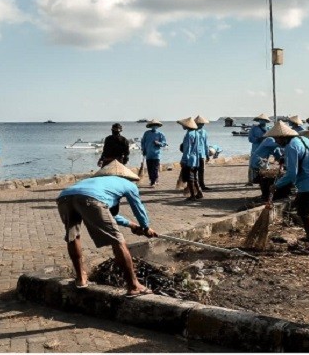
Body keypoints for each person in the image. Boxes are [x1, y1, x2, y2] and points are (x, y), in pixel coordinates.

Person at [56, 160, 157, 296]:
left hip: (64, 198)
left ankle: (81, 278)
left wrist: (132, 225)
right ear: (125, 176)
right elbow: (138, 208)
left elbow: (108, 215)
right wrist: (145, 227)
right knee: (118, 241)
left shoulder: (98, 183)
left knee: (73, 236)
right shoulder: (128, 184)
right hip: (90, 199)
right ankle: (134, 286)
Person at [267, 122, 309, 255]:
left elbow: (291, 175)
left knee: (305, 214)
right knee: (301, 210)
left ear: (283, 136)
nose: (276, 142)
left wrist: (276, 185)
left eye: (277, 139)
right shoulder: (302, 139)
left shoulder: (291, 147)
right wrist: (285, 159)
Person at [250, 136, 283, 201]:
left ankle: (265, 194)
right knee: (264, 176)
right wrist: (283, 144)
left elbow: (278, 154)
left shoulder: (276, 146)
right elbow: (274, 145)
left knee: (264, 176)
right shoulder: (269, 139)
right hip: (258, 160)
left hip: (263, 161)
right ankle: (265, 195)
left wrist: (281, 159)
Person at [178, 117, 202, 200]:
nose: (182, 126)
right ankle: (199, 193)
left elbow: (187, 149)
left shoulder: (189, 134)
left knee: (190, 178)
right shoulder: (196, 133)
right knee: (195, 177)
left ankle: (192, 196)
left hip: (189, 159)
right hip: (195, 159)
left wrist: (184, 160)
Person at [140, 120, 167, 187]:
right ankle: (152, 180)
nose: (154, 126)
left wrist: (159, 143)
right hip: (148, 154)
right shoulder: (146, 133)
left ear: (158, 126)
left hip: (156, 154)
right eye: (152, 125)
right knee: (149, 168)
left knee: (155, 168)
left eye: (155, 125)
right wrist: (143, 149)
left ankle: (153, 181)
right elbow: (143, 142)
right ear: (150, 126)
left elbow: (164, 143)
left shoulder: (160, 134)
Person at [247, 113, 271, 186]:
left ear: (266, 121)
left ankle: (264, 180)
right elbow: (250, 138)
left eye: (263, 120)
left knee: (265, 164)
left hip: (266, 150)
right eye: (261, 120)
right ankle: (251, 181)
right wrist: (258, 139)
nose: (262, 121)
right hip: (256, 148)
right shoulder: (254, 128)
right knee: (252, 164)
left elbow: (271, 139)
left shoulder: (269, 129)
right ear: (259, 120)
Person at [194, 115, 211, 191]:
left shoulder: (204, 132)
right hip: (194, 154)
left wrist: (207, 154)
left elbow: (206, 144)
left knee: (201, 170)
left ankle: (202, 185)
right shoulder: (193, 132)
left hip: (202, 154)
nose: (201, 125)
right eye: (200, 123)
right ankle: (195, 185)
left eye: (202, 123)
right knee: (194, 171)